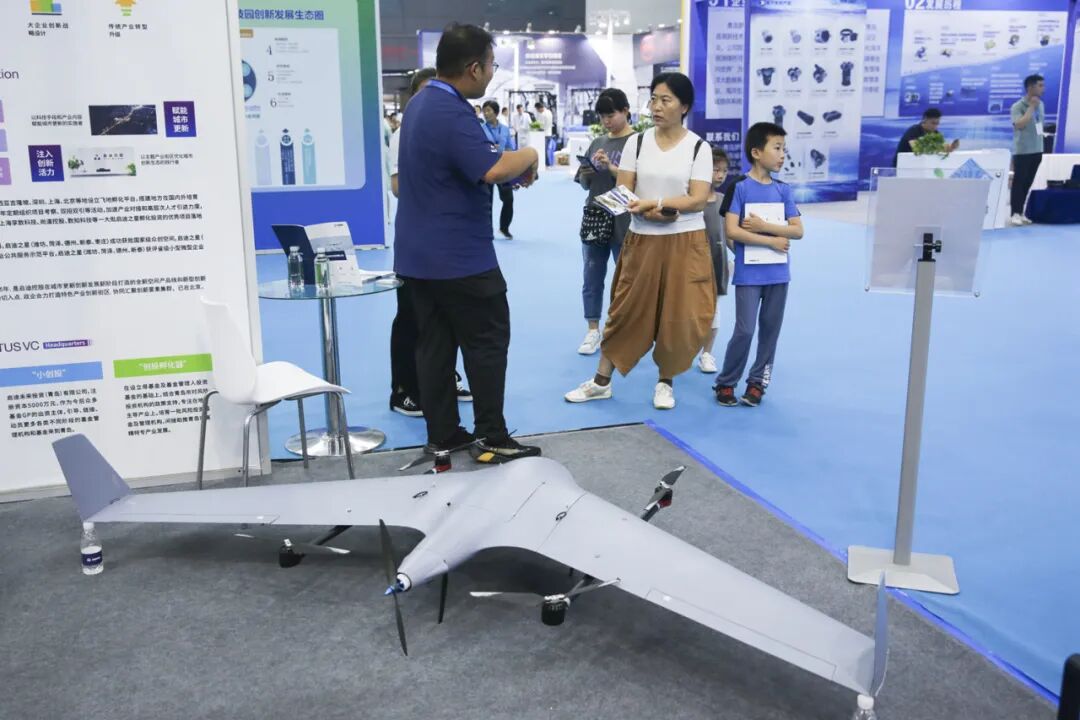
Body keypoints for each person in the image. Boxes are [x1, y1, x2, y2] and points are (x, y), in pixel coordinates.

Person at [395, 22, 541, 462]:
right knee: (487, 340)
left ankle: (444, 434)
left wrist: (509, 169)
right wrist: (530, 154)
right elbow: (490, 168)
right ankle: (491, 435)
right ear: (474, 68)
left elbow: (468, 166)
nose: (493, 74)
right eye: (492, 65)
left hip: (419, 256)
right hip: (459, 256)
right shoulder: (450, 110)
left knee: (435, 346)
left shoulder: (420, 103)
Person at [564, 72, 715, 410]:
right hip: (641, 238)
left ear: (684, 106)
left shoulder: (699, 148)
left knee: (677, 314)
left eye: (666, 100)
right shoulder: (638, 142)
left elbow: (697, 199)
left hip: (684, 241)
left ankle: (666, 381)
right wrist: (646, 210)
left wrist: (658, 205)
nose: (657, 107)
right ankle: (601, 381)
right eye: (654, 99)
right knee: (623, 310)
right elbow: (623, 189)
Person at [387, 67, 472, 416]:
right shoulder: (403, 134)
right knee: (410, 317)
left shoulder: (450, 128)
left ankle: (443, 379)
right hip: (415, 239)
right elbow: (396, 187)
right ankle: (403, 389)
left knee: (447, 316)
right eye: (426, 92)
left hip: (447, 242)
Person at [713, 122, 803, 408]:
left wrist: (765, 227)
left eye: (784, 149)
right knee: (745, 330)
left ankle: (757, 383)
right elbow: (732, 231)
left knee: (770, 330)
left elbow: (798, 230)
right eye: (777, 148)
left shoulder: (783, 190)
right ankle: (727, 381)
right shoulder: (739, 188)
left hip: (778, 274)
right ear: (756, 152)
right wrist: (771, 240)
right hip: (748, 273)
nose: (782, 155)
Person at [574, 88, 635, 355]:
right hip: (596, 215)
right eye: (602, 116)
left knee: (626, 279)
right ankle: (592, 329)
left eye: (611, 115)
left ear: (625, 111)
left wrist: (611, 168)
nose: (606, 121)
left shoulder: (637, 143)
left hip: (626, 217)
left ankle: (621, 329)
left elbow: (640, 181)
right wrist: (587, 170)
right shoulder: (597, 141)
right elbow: (584, 183)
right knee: (592, 275)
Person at [697, 147, 733, 373]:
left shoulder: (723, 201)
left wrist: (746, 255)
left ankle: (707, 354)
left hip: (717, 264)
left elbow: (729, 235)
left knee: (714, 311)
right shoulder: (692, 201)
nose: (720, 175)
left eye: (724, 171)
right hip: (692, 265)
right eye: (715, 170)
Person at [1010, 73, 1045, 226]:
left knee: (1028, 182)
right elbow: (1019, 125)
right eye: (1040, 85)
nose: (1043, 89)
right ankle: (1014, 213)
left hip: (1037, 149)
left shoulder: (1041, 104)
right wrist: (1031, 107)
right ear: (1030, 87)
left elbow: (1039, 124)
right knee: (1019, 182)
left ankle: (1021, 212)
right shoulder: (1018, 106)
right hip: (1023, 151)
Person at [481, 100, 517, 239]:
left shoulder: (505, 129)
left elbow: (510, 147)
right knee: (487, 201)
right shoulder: (480, 128)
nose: (486, 113)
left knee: (508, 199)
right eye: (484, 111)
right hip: (487, 167)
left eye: (488, 110)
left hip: (503, 166)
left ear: (496, 113)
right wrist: (490, 148)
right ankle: (487, 230)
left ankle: (504, 228)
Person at [893, 108, 959, 166]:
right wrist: (937, 148)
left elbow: (942, 149)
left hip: (922, 165)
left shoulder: (936, 133)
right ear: (925, 119)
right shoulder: (914, 130)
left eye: (937, 124)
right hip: (904, 165)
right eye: (933, 123)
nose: (935, 126)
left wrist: (951, 148)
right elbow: (917, 148)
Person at [535, 101, 554, 165]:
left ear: (540, 108)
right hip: (547, 134)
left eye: (537, 110)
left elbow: (542, 126)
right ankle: (546, 163)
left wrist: (536, 126)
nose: (537, 111)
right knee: (545, 149)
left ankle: (546, 163)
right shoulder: (548, 112)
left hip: (545, 134)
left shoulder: (544, 114)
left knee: (544, 149)